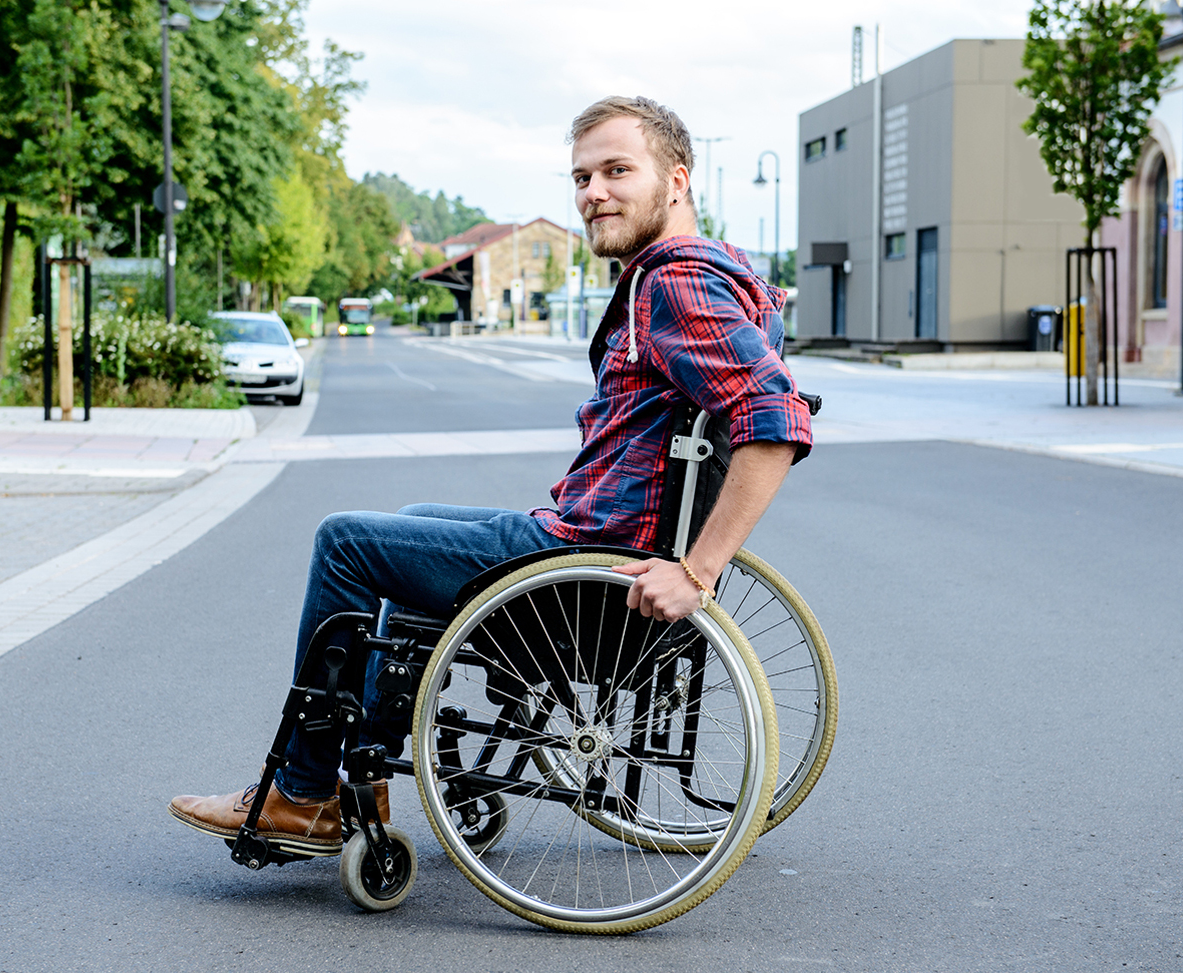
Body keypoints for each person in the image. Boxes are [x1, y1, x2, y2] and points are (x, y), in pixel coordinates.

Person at [168, 95, 813, 859]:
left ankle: (304, 793)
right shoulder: (719, 276)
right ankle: (362, 773)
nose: (592, 193)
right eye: (581, 177)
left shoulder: (674, 284)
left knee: (344, 543)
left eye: (616, 171)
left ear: (676, 179)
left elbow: (775, 421)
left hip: (583, 568)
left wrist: (698, 572)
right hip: (589, 541)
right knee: (413, 514)